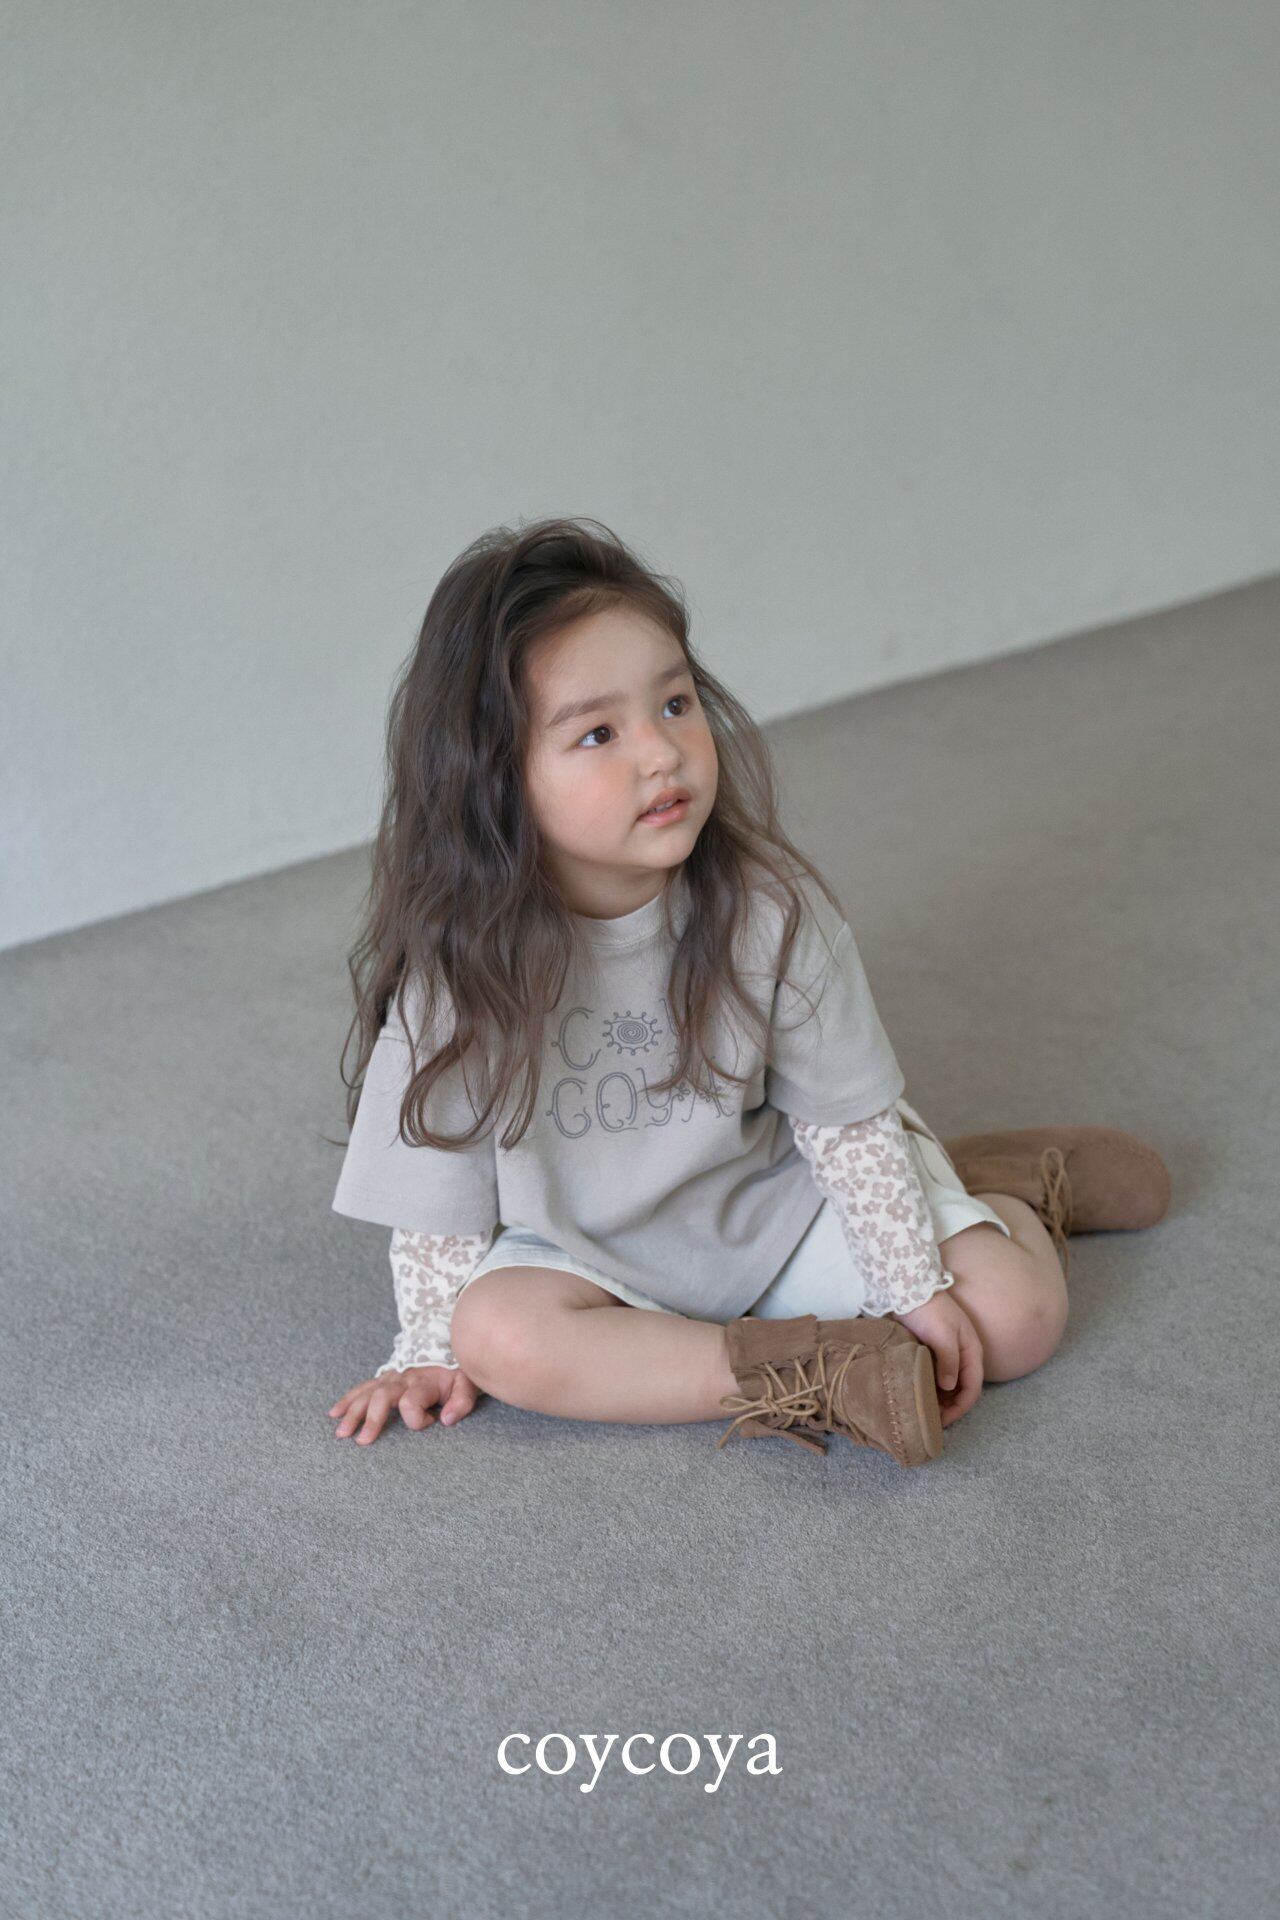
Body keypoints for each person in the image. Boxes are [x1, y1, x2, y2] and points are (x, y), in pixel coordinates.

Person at [325, 518, 1172, 1464]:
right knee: (500, 1337)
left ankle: (997, 1189)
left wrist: (911, 1284)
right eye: (599, 733)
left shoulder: (767, 909)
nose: (662, 753)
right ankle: (806, 1371)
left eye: (675, 703)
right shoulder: (463, 967)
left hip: (775, 1200)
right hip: (586, 1253)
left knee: (1013, 1320)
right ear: (493, 780)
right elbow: (437, 1184)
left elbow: (842, 1122)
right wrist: (428, 1346)